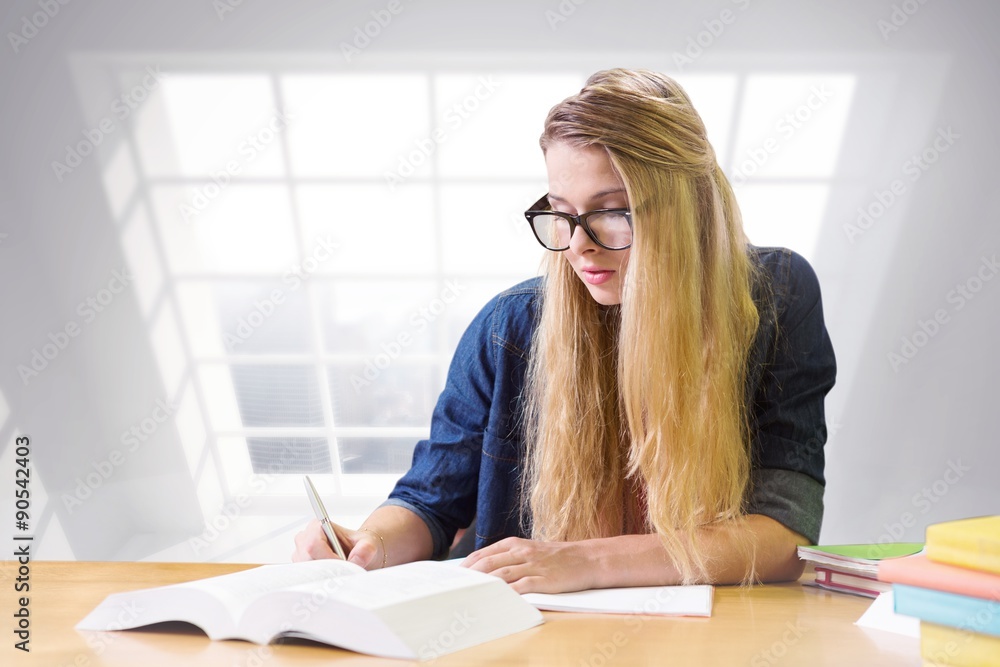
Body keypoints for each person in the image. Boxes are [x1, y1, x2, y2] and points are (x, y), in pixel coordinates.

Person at [293, 68, 836, 594]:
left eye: (612, 211)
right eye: (561, 212)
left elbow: (784, 537)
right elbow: (431, 503)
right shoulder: (510, 327)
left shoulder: (776, 296)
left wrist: (586, 561)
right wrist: (370, 547)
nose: (578, 245)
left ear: (688, 207)